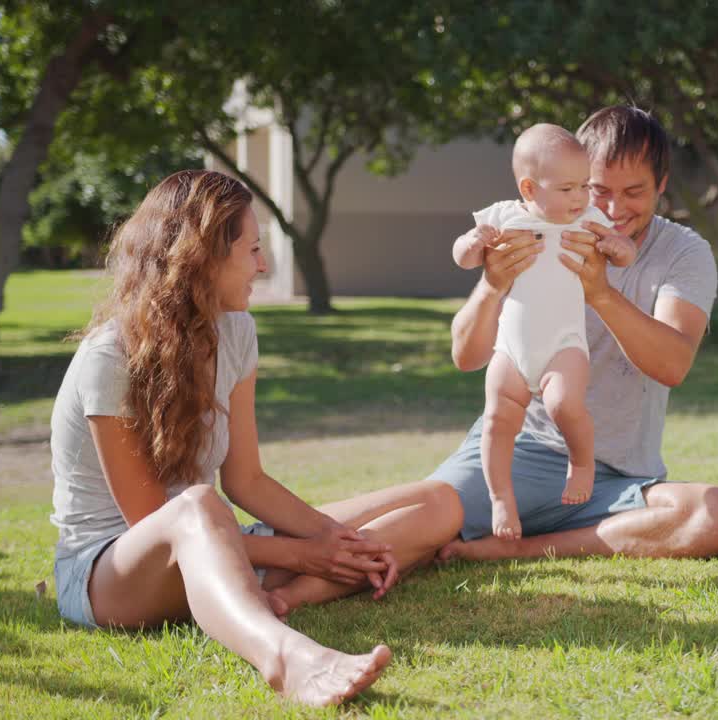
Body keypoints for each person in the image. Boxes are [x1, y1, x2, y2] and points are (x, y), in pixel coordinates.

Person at [49, 170, 463, 706]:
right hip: (110, 572)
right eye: (253, 249)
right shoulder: (110, 357)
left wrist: (330, 543)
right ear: (202, 258)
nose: (263, 266)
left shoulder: (236, 332)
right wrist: (303, 551)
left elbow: (246, 480)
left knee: (438, 503)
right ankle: (287, 659)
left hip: (214, 538)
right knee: (197, 506)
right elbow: (152, 522)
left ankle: (278, 598)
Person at [434, 106, 718, 562]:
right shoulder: (533, 226)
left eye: (634, 191)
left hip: (618, 481)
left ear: (661, 183)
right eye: (597, 191)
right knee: (421, 519)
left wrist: (600, 293)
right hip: (524, 453)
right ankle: (302, 546)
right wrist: (492, 284)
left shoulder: (684, 252)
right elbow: (465, 356)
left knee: (717, 514)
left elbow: (672, 365)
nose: (615, 210)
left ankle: (516, 550)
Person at [451, 123, 634, 540]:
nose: (580, 197)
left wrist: (621, 249)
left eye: (585, 186)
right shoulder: (504, 217)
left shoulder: (588, 219)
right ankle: (501, 498)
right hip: (511, 349)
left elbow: (621, 249)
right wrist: (472, 243)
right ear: (530, 189)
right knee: (498, 418)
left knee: (564, 405)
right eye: (567, 188)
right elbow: (463, 257)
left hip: (563, 346)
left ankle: (581, 463)